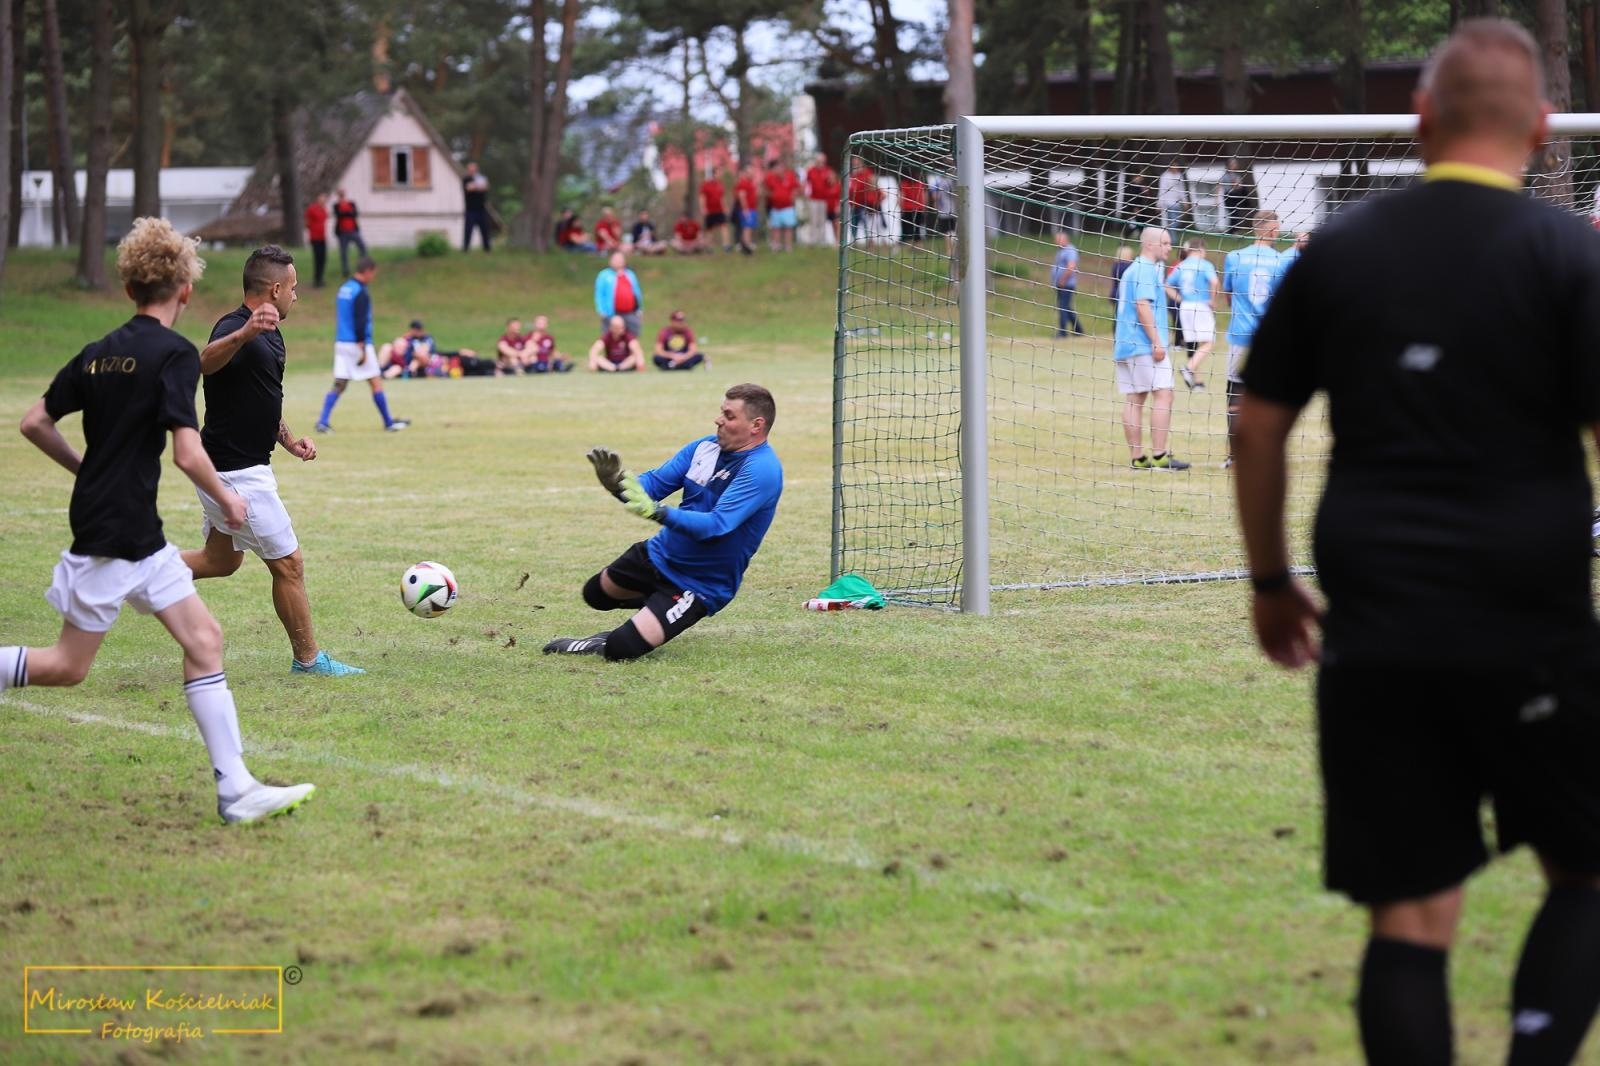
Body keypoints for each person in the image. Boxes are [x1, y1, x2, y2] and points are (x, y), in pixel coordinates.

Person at [1234, 19, 1600, 1066]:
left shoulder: (1341, 251)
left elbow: (1257, 424)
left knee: (1409, 913)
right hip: (1534, 622)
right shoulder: (1571, 255)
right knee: (1586, 869)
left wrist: (1271, 580)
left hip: (1379, 623)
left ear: (1420, 118)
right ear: (1540, 128)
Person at [1, 217, 315, 824]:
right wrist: (226, 499)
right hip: (118, 534)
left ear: (128, 287)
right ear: (186, 290)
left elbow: (33, 422)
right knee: (66, 666)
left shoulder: (98, 353)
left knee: (203, 640)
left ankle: (236, 790)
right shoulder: (173, 353)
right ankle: (237, 788)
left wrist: (85, 470)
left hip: (129, 531)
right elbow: (187, 453)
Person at [181, 244, 362, 677]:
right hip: (235, 471)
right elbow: (204, 363)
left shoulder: (272, 333)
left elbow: (262, 399)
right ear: (275, 289)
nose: (296, 296)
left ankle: (137, 572)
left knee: (220, 561)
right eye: (293, 288)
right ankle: (309, 660)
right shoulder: (234, 326)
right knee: (289, 563)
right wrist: (244, 335)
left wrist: (289, 441)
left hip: (240, 464)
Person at [544, 384, 783, 661]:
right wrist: (617, 484)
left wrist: (659, 513)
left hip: (699, 583)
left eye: (729, 416)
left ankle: (642, 624)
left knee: (620, 649)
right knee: (595, 594)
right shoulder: (703, 448)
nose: (718, 420)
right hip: (659, 554)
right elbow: (653, 485)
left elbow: (717, 525)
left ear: (756, 425)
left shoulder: (762, 468)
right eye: (721, 412)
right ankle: (653, 612)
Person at [1112, 227, 1190, 471]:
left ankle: (1138, 458)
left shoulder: (1132, 269)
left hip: (1126, 343)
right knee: (1164, 394)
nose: (1169, 247)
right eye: (1164, 243)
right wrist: (1156, 341)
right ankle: (1159, 456)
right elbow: (1142, 305)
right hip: (1143, 343)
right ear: (1148, 245)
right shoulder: (1145, 269)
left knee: (1135, 399)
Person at [316, 257, 408, 433]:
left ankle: (323, 421)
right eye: (373, 273)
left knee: (340, 383)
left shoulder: (344, 289)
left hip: (342, 342)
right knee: (375, 381)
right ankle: (389, 422)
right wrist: (363, 346)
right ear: (367, 271)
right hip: (357, 344)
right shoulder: (360, 291)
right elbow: (360, 320)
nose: (373, 277)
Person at [1221, 210, 1283, 465]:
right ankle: (1266, 453)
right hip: (1269, 340)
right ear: (1272, 230)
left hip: (1240, 336)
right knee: (1269, 397)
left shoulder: (1234, 257)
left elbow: (1228, 295)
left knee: (1235, 396)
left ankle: (1235, 456)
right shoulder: (1281, 261)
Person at [1169, 237, 1220, 390]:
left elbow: (1167, 284)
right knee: (1209, 342)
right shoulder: (1204, 264)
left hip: (1185, 307)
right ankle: (1189, 368)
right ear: (1201, 249)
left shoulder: (1181, 265)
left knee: (1193, 344)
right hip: (1200, 305)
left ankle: (1197, 382)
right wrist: (1213, 301)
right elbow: (1215, 282)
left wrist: (1179, 298)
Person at [594, 251, 643, 337]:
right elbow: (599, 294)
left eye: (620, 259)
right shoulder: (604, 275)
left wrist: (639, 308)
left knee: (632, 337)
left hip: (630, 312)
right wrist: (601, 310)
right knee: (610, 337)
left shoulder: (630, 274)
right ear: (611, 261)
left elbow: (637, 292)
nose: (619, 262)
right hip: (611, 313)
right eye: (616, 259)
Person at [1049, 231, 1082, 337]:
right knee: (1066, 307)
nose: (1056, 242)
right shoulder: (1061, 251)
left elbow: (1071, 266)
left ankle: (1063, 332)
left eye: (1058, 239)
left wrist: (1063, 280)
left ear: (1065, 239)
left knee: (1063, 307)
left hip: (1066, 284)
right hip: (1060, 284)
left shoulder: (1070, 250)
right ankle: (1078, 330)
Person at [764, 159, 801, 252]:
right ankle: (776, 246)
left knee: (788, 228)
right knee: (776, 228)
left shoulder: (790, 176)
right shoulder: (770, 178)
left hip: (788, 207)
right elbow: (765, 188)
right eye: (776, 168)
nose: (778, 170)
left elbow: (797, 187)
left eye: (780, 167)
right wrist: (771, 195)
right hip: (775, 208)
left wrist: (794, 195)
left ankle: (788, 246)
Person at [804, 153, 840, 246]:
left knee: (822, 220)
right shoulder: (811, 171)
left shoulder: (828, 170)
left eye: (822, 161)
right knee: (813, 220)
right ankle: (813, 240)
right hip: (813, 199)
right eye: (818, 161)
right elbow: (806, 183)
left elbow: (832, 182)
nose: (820, 163)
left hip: (824, 200)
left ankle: (822, 240)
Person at [333, 188, 367, 277]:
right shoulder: (336, 205)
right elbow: (339, 215)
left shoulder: (351, 203)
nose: (341, 194)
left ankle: (362, 267)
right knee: (344, 252)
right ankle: (345, 271)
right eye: (340, 193)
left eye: (342, 193)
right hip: (342, 232)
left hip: (353, 231)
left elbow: (354, 214)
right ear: (338, 195)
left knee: (362, 247)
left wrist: (345, 213)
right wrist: (348, 213)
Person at [848, 159, 882, 243]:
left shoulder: (867, 172)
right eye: (853, 164)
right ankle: (854, 241)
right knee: (854, 223)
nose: (855, 165)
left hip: (864, 203)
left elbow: (873, 184)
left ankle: (869, 240)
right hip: (854, 203)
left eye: (856, 164)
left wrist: (873, 200)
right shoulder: (852, 174)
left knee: (866, 223)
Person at [461, 161, 492, 252]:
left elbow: (486, 187)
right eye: (470, 168)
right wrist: (478, 186)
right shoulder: (466, 179)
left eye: (474, 168)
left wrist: (476, 186)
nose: (472, 170)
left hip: (481, 208)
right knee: (468, 230)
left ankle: (487, 248)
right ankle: (466, 248)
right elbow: (469, 188)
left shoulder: (481, 178)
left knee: (485, 229)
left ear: (476, 169)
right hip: (470, 209)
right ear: (468, 169)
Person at [303, 192, 329, 288]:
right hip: (315, 237)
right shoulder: (312, 208)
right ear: (318, 199)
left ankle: (320, 278)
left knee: (323, 258)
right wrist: (310, 228)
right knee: (317, 258)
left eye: (324, 200)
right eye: (322, 199)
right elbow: (307, 220)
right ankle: (316, 279)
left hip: (323, 237)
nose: (323, 201)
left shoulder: (324, 209)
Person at [734, 166, 761, 255]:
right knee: (747, 227)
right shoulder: (743, 183)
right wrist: (745, 209)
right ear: (746, 173)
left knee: (749, 227)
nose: (752, 174)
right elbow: (742, 197)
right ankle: (746, 245)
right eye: (750, 173)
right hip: (747, 209)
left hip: (752, 209)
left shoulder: (751, 183)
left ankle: (746, 243)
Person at [700, 171, 730, 251]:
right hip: (710, 211)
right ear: (713, 175)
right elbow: (702, 197)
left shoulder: (720, 185)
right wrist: (703, 208)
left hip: (720, 210)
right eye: (717, 174)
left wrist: (725, 207)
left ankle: (726, 245)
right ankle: (709, 247)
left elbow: (722, 197)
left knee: (724, 226)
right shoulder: (706, 185)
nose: (719, 175)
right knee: (710, 229)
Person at [1158, 160, 1189, 232]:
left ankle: (1169, 233)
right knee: (1172, 221)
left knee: (1176, 221)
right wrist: (1159, 203)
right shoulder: (1165, 176)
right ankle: (1172, 237)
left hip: (1177, 202)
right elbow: (1162, 190)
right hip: (1168, 203)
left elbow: (1182, 189)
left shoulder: (1179, 176)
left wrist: (1185, 201)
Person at [899, 170, 927, 245]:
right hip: (918, 209)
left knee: (909, 229)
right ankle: (919, 246)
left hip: (907, 210)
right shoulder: (920, 184)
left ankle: (911, 246)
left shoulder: (904, 184)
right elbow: (924, 197)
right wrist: (924, 208)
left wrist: (901, 209)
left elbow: (901, 198)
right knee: (917, 229)